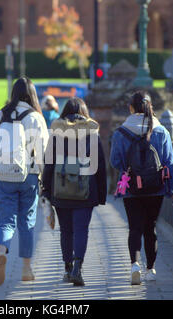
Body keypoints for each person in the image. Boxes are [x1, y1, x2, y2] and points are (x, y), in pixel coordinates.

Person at [110, 91, 173, 285]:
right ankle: (151, 269)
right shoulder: (161, 131)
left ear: (131, 108)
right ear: (150, 108)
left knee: (134, 228)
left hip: (131, 187)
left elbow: (115, 161)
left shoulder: (120, 132)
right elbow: (169, 162)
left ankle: (134, 265)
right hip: (155, 187)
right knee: (150, 228)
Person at [0, 77, 49, 286]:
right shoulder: (36, 118)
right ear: (31, 94)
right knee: (27, 222)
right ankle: (26, 268)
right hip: (29, 175)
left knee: (5, 220)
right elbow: (43, 152)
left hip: (4, 174)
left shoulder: (0, 115)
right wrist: (43, 177)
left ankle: (2, 251)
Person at [41, 97, 107, 286]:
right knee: (81, 230)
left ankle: (68, 268)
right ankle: (78, 267)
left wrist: (46, 189)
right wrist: (101, 195)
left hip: (60, 190)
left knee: (66, 231)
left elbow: (49, 163)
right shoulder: (92, 133)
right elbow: (100, 165)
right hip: (86, 191)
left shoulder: (57, 132)